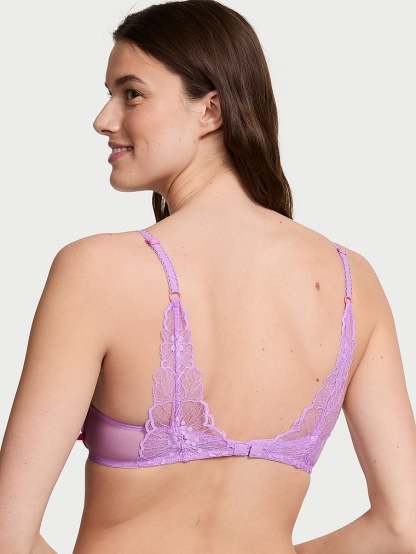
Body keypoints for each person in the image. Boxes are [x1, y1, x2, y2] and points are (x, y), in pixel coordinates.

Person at [1, 1, 415, 553]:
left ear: (211, 111)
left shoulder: (97, 270)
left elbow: (7, 533)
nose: (104, 119)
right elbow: (402, 528)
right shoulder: (351, 284)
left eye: (132, 94)